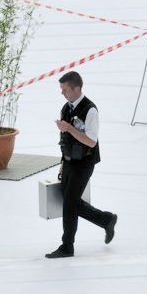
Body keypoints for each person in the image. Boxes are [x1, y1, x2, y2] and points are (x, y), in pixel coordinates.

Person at [45, 72, 118, 259]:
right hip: (69, 161)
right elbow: (65, 138)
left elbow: (91, 141)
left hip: (84, 163)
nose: (62, 93)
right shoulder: (66, 108)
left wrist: (69, 128)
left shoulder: (90, 110)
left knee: (69, 204)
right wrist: (63, 161)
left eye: (65, 90)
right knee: (69, 200)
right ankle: (106, 219)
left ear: (76, 88)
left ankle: (67, 246)